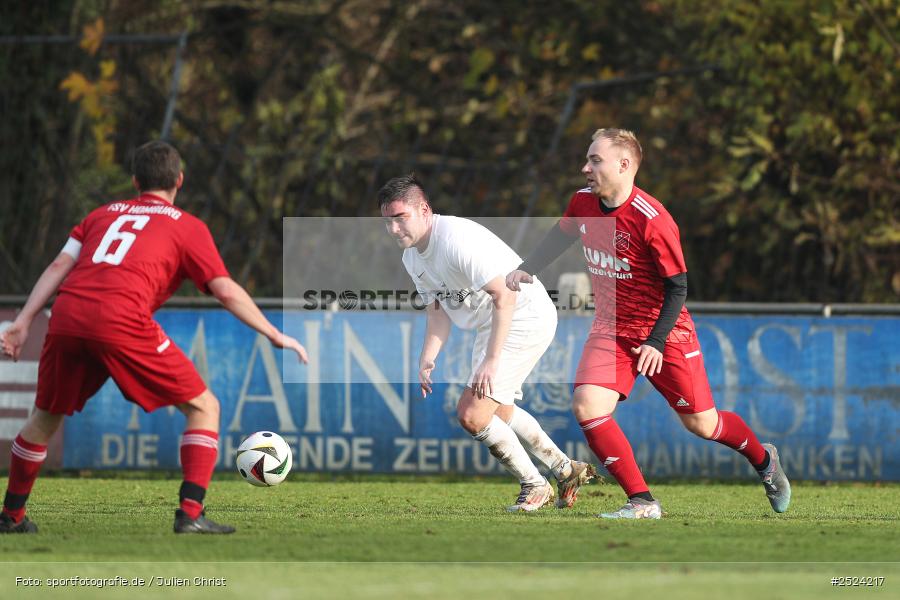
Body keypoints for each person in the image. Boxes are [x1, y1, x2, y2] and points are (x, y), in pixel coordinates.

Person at [0, 140, 308, 534]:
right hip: (120, 318)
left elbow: (60, 264)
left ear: (135, 181)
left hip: (67, 316)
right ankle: (191, 515)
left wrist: (24, 320)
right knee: (204, 407)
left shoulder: (99, 215)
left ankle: (11, 516)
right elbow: (226, 290)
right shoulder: (187, 227)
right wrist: (274, 333)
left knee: (43, 418)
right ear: (179, 180)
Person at [506, 128, 791, 519]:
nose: (584, 167)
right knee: (587, 406)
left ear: (624, 166)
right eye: (587, 159)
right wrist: (527, 269)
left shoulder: (652, 219)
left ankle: (764, 461)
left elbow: (678, 288)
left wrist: (656, 341)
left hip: (666, 333)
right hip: (611, 327)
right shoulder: (583, 203)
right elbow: (561, 235)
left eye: (595, 160)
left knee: (703, 425)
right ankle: (642, 501)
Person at [378, 174, 595, 512]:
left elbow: (505, 294)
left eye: (400, 217)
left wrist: (491, 361)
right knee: (499, 409)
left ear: (424, 210)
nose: (393, 229)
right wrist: (427, 357)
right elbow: (438, 312)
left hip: (524, 313)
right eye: (387, 221)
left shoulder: (454, 240)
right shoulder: (412, 258)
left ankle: (535, 486)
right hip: (495, 321)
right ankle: (565, 470)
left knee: (472, 414)